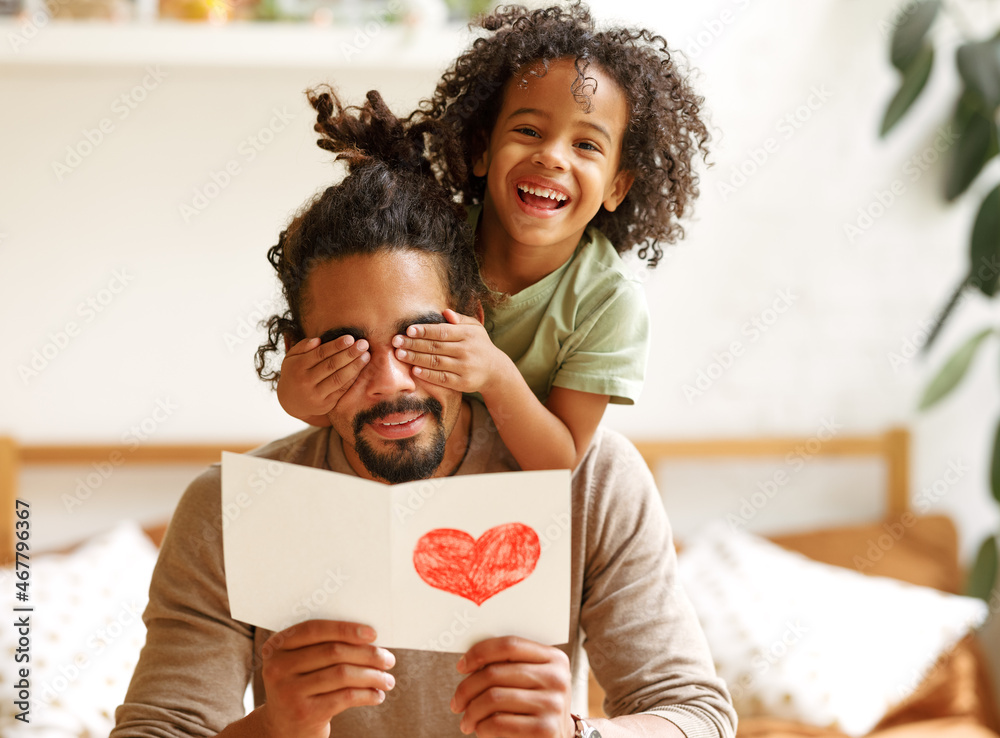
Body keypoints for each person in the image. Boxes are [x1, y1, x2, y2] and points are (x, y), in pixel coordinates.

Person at [111, 90, 735, 738]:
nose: (389, 383)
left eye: (419, 340)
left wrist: (578, 735)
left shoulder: (594, 482)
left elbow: (699, 716)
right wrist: (277, 726)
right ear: (301, 352)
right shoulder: (225, 513)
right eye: (346, 349)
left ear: (474, 322)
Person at [274, 2, 709, 473]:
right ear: (482, 151)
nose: (553, 157)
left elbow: (559, 461)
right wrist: (295, 396)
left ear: (616, 187)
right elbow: (353, 404)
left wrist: (496, 374)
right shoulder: (431, 244)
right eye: (528, 130)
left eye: (586, 145)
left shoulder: (608, 302)